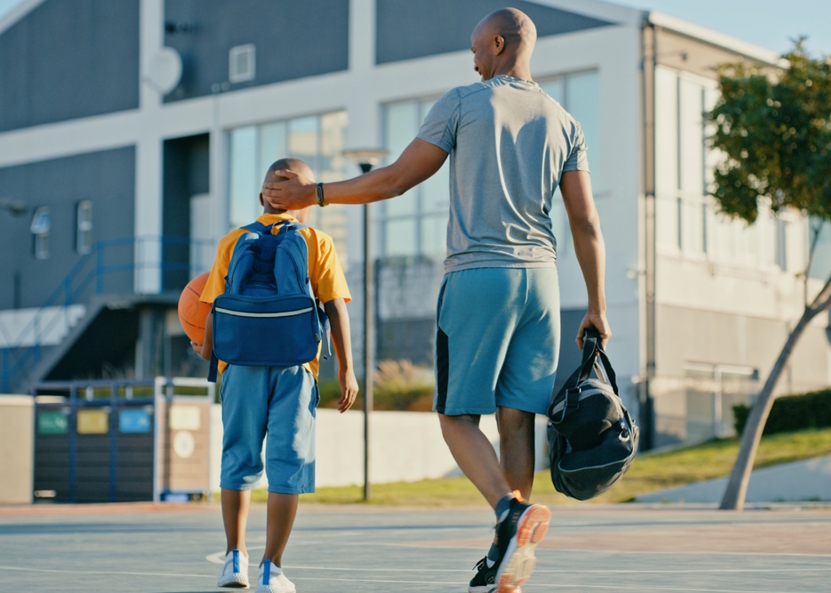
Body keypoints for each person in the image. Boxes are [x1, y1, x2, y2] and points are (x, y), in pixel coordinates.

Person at [263, 8, 610, 593]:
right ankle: (507, 556)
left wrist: (313, 193)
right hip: (544, 284)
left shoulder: (464, 103)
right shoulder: (564, 121)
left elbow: (396, 179)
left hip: (480, 277)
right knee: (515, 420)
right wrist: (597, 303)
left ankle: (511, 511)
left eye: (476, 48)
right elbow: (586, 221)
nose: (471, 59)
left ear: (498, 44)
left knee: (453, 417)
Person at [193, 158, 358, 593]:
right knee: (288, 464)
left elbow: (213, 312)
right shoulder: (315, 239)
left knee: (238, 458)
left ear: (262, 196)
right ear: (304, 202)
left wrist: (205, 352)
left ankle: (234, 560)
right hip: (295, 366)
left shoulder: (233, 240)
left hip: (240, 366)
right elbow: (334, 307)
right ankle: (272, 568)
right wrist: (346, 368)